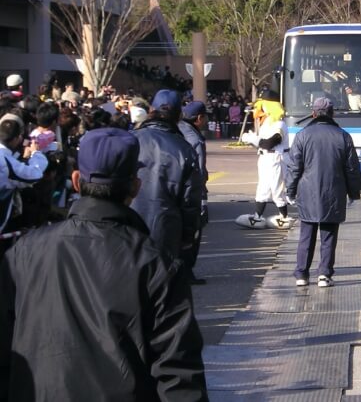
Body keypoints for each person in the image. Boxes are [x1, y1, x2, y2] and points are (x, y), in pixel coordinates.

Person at [0, 128, 207, 401]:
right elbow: (178, 373)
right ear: (135, 186)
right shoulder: (156, 263)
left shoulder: (22, 252)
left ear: (76, 181)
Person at [287, 97, 361, 288]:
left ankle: (302, 274)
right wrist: (354, 193)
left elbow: (295, 167)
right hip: (334, 192)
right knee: (329, 235)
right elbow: (352, 169)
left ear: (313, 113)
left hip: (307, 192)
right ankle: (324, 274)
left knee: (306, 234)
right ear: (332, 113)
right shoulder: (343, 136)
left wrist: (290, 191)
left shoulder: (302, 135)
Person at [131, 90, 203, 270]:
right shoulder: (183, 148)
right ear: (179, 115)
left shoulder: (130, 139)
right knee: (162, 285)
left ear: (151, 110)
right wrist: (188, 236)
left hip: (128, 225)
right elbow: (191, 199)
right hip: (166, 228)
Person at [236, 89, 293, 229]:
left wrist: (253, 139)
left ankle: (284, 217)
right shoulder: (266, 122)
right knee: (263, 189)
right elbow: (263, 144)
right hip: (265, 158)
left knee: (277, 189)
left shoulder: (279, 124)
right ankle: (257, 216)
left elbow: (269, 143)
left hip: (276, 158)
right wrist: (253, 140)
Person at [178, 101, 209, 285]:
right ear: (199, 118)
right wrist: (203, 198)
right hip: (191, 193)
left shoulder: (176, 131)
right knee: (193, 232)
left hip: (175, 190)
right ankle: (187, 271)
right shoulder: (195, 140)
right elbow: (198, 171)